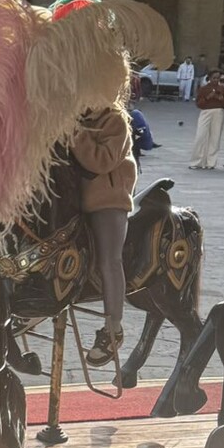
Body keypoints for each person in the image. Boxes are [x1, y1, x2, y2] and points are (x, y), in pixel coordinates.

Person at [71, 101, 136, 366]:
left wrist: (74, 132)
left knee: (110, 260)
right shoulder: (73, 115)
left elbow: (101, 161)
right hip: (73, 199)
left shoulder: (114, 120)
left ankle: (113, 328)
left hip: (107, 200)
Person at [191, 66, 224, 168]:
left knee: (215, 137)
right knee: (200, 136)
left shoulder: (222, 89)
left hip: (218, 112)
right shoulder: (203, 89)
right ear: (209, 78)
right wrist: (208, 97)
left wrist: (221, 99)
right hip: (206, 112)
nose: (216, 80)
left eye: (218, 78)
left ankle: (211, 162)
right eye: (214, 78)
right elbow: (199, 104)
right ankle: (197, 161)